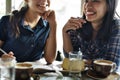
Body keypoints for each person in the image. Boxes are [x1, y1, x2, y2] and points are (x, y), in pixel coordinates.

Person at [62, 0, 120, 72]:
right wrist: (65, 32)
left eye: (95, 1)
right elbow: (70, 59)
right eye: (86, 1)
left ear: (109, 6)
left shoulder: (117, 27)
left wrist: (82, 62)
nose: (87, 6)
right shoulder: (79, 24)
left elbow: (112, 66)